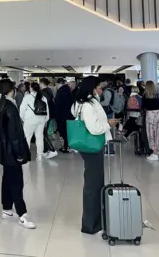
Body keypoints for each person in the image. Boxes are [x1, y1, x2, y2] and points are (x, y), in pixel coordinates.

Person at [71, 76, 118, 234]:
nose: (101, 89)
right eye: (99, 87)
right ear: (92, 87)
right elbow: (94, 128)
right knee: (93, 186)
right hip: (93, 147)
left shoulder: (80, 102)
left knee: (95, 184)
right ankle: (91, 225)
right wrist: (108, 124)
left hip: (89, 147)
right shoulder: (89, 105)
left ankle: (95, 222)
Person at [0, 78, 36, 229]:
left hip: (4, 151)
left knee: (7, 179)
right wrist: (20, 153)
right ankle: (22, 214)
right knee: (17, 181)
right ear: (12, 90)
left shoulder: (0, 105)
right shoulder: (10, 108)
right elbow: (15, 134)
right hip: (12, 151)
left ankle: (7, 209)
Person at [19, 82, 49, 161]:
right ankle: (39, 156)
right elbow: (47, 111)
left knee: (27, 138)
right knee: (39, 137)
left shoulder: (27, 97)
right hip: (41, 119)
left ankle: (26, 156)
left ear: (31, 88)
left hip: (30, 119)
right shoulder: (43, 97)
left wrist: (23, 118)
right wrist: (46, 120)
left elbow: (22, 109)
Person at [39, 78, 58, 159]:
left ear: (42, 83)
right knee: (43, 132)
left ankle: (51, 150)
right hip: (48, 114)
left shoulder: (44, 92)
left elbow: (43, 104)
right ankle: (45, 150)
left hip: (45, 115)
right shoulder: (49, 90)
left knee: (43, 133)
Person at [55, 80, 75, 153]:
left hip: (62, 116)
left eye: (56, 84)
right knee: (65, 131)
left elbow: (60, 105)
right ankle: (66, 146)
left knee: (63, 131)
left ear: (59, 83)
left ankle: (66, 146)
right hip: (67, 115)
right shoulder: (67, 91)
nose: (56, 86)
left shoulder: (62, 92)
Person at [142, 81, 159, 160]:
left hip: (150, 115)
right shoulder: (157, 95)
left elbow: (143, 106)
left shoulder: (145, 95)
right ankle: (157, 150)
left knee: (151, 133)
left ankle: (154, 152)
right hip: (158, 114)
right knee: (158, 133)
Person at [99, 81, 116, 155]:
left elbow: (106, 103)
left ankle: (110, 150)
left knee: (108, 131)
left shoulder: (107, 91)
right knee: (108, 131)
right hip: (109, 112)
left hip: (107, 113)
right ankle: (109, 150)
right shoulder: (110, 90)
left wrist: (97, 103)